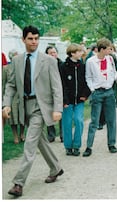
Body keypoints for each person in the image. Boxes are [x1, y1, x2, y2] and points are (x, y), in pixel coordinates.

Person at [2, 25, 64, 197]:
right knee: (40, 141)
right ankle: (56, 168)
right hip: (24, 106)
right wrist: (5, 104)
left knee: (29, 143)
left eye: (36, 38)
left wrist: (57, 108)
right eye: (30, 38)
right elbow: (11, 84)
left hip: (40, 107)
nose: (34, 42)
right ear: (23, 40)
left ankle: (18, 183)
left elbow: (57, 87)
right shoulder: (17, 60)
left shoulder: (49, 60)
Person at [83, 37, 117, 156]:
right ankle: (89, 146)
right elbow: (88, 77)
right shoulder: (91, 61)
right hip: (97, 92)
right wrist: (92, 89)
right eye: (108, 48)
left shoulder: (110, 59)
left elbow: (114, 72)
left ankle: (111, 144)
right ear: (102, 49)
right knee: (94, 121)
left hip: (109, 91)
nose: (110, 50)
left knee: (111, 120)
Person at [60, 43, 91, 156]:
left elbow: (87, 81)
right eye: (79, 51)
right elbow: (61, 84)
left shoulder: (82, 66)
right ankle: (68, 146)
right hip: (67, 101)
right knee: (67, 123)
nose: (82, 53)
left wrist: (85, 94)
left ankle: (76, 145)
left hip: (79, 100)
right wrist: (64, 100)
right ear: (73, 53)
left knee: (79, 121)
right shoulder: (63, 66)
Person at [3, 50, 26, 144]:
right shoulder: (5, 68)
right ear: (11, 57)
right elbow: (4, 83)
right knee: (13, 118)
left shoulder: (23, 67)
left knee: (23, 116)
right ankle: (15, 136)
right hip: (12, 96)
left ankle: (22, 134)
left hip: (22, 95)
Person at [45, 46, 64, 142]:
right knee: (49, 113)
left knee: (61, 113)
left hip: (60, 92)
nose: (53, 54)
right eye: (50, 53)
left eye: (54, 52)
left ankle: (63, 134)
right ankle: (51, 134)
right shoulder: (44, 66)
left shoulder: (62, 65)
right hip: (48, 92)